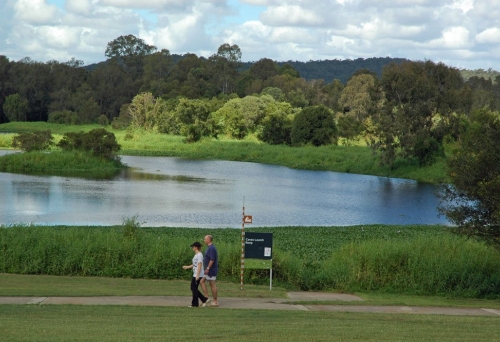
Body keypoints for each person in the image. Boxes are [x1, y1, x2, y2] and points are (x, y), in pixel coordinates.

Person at [182, 241, 208, 308]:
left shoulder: (199, 255)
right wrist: (187, 267)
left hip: (198, 274)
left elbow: (199, 265)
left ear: (196, 247)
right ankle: (204, 299)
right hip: (196, 273)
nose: (192, 248)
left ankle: (195, 304)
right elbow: (195, 264)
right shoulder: (196, 255)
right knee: (193, 288)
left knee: (193, 288)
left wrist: (197, 275)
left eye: (193, 247)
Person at [200, 234, 219, 307]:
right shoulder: (209, 248)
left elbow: (212, 259)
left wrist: (208, 268)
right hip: (207, 270)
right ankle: (206, 298)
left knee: (212, 285)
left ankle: (215, 301)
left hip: (211, 270)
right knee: (202, 281)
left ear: (209, 240)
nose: (204, 240)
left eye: (205, 239)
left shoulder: (211, 248)